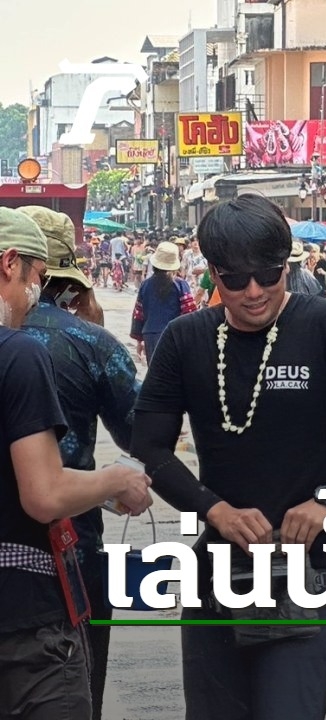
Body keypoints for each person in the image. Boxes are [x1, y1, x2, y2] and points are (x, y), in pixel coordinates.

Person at [130, 194, 326, 719]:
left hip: (311, 569)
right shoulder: (186, 339)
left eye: (268, 274)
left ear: (285, 264)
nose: (254, 291)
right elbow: (149, 445)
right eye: (235, 279)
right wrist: (214, 510)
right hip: (218, 570)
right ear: (212, 273)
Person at [0, 208, 152, 719]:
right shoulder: (69, 344)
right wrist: (116, 481)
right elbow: (140, 434)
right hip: (56, 564)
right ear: (13, 265)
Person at [130, 241, 197, 361]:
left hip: (150, 335)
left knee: (155, 370)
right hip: (174, 335)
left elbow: (139, 313)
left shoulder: (145, 285)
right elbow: (189, 313)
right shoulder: (180, 284)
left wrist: (139, 341)